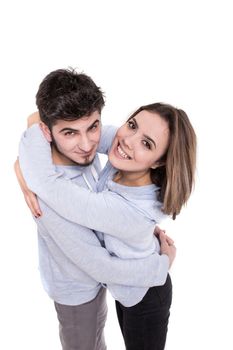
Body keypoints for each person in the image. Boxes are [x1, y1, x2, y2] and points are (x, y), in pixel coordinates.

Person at [15, 68, 176, 350]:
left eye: (94, 127)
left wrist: (25, 169)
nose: (88, 144)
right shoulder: (50, 197)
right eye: (69, 132)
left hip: (118, 286)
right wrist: (161, 265)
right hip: (78, 288)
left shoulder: (100, 154)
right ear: (47, 132)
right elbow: (101, 266)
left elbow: (114, 140)